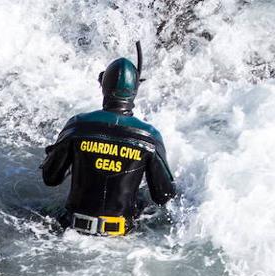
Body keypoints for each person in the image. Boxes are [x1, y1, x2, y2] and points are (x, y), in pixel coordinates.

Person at [41, 46, 176, 236]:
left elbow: (50, 178)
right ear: (134, 92)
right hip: (120, 240)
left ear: (103, 86)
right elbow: (164, 196)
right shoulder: (149, 137)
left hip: (70, 233)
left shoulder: (78, 125)